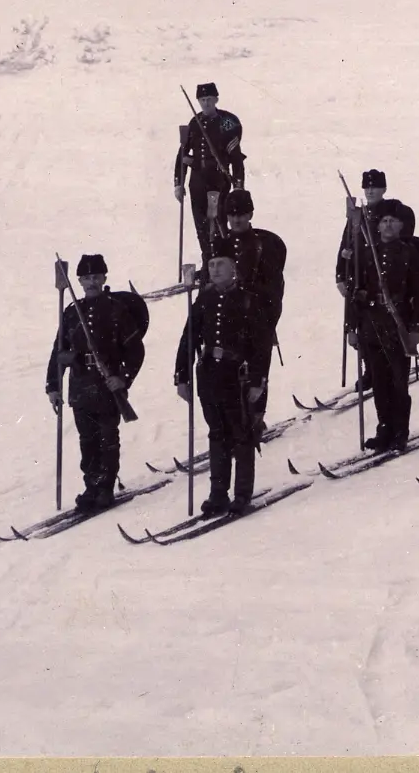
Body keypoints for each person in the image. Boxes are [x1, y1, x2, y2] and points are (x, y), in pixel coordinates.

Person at [46, 255, 149, 513]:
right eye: (86, 278)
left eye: (96, 277)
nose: (91, 282)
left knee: (107, 439)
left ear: (104, 278)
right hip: (80, 386)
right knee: (87, 440)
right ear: (79, 281)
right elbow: (58, 349)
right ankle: (91, 486)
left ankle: (105, 488)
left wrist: (123, 378)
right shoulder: (71, 313)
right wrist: (54, 386)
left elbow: (135, 350)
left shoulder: (116, 310)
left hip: (106, 387)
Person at [176, 253, 275, 516]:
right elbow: (189, 337)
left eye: (221, 264)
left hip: (237, 376)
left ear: (234, 269)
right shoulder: (204, 299)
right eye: (211, 265)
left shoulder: (249, 301)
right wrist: (182, 376)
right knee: (217, 434)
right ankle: (217, 494)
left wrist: (258, 382)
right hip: (209, 374)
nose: (215, 269)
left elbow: (261, 347)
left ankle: (242, 493)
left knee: (241, 434)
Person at [344, 199, 419, 452]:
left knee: (398, 382)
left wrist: (415, 328)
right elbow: (353, 292)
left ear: (402, 225)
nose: (388, 224)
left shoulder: (409, 252)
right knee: (380, 382)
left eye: (393, 221)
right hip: (371, 324)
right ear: (377, 225)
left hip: (397, 324)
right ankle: (384, 429)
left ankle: (400, 431)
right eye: (384, 221)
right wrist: (351, 328)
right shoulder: (365, 253)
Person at [220, 189, 287, 430]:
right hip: (228, 321)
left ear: (250, 214)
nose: (236, 219)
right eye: (231, 214)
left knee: (257, 371)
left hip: (258, 319)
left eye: (241, 214)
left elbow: (274, 288)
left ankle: (256, 418)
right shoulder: (221, 244)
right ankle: (235, 418)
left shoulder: (264, 245)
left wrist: (268, 320)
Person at [173, 83, 246, 264]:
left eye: (209, 100)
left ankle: (222, 259)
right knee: (201, 223)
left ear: (216, 100)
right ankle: (208, 260)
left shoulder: (227, 122)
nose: (206, 104)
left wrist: (238, 186)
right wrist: (178, 183)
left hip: (218, 180)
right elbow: (182, 153)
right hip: (197, 181)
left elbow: (236, 156)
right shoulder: (194, 122)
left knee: (217, 220)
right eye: (202, 100)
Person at [336, 169, 415, 297]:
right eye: (367, 188)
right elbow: (345, 244)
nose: (370, 191)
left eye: (375, 187)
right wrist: (340, 277)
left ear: (384, 189)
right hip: (358, 278)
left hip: (383, 278)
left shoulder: (393, 210)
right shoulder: (357, 215)